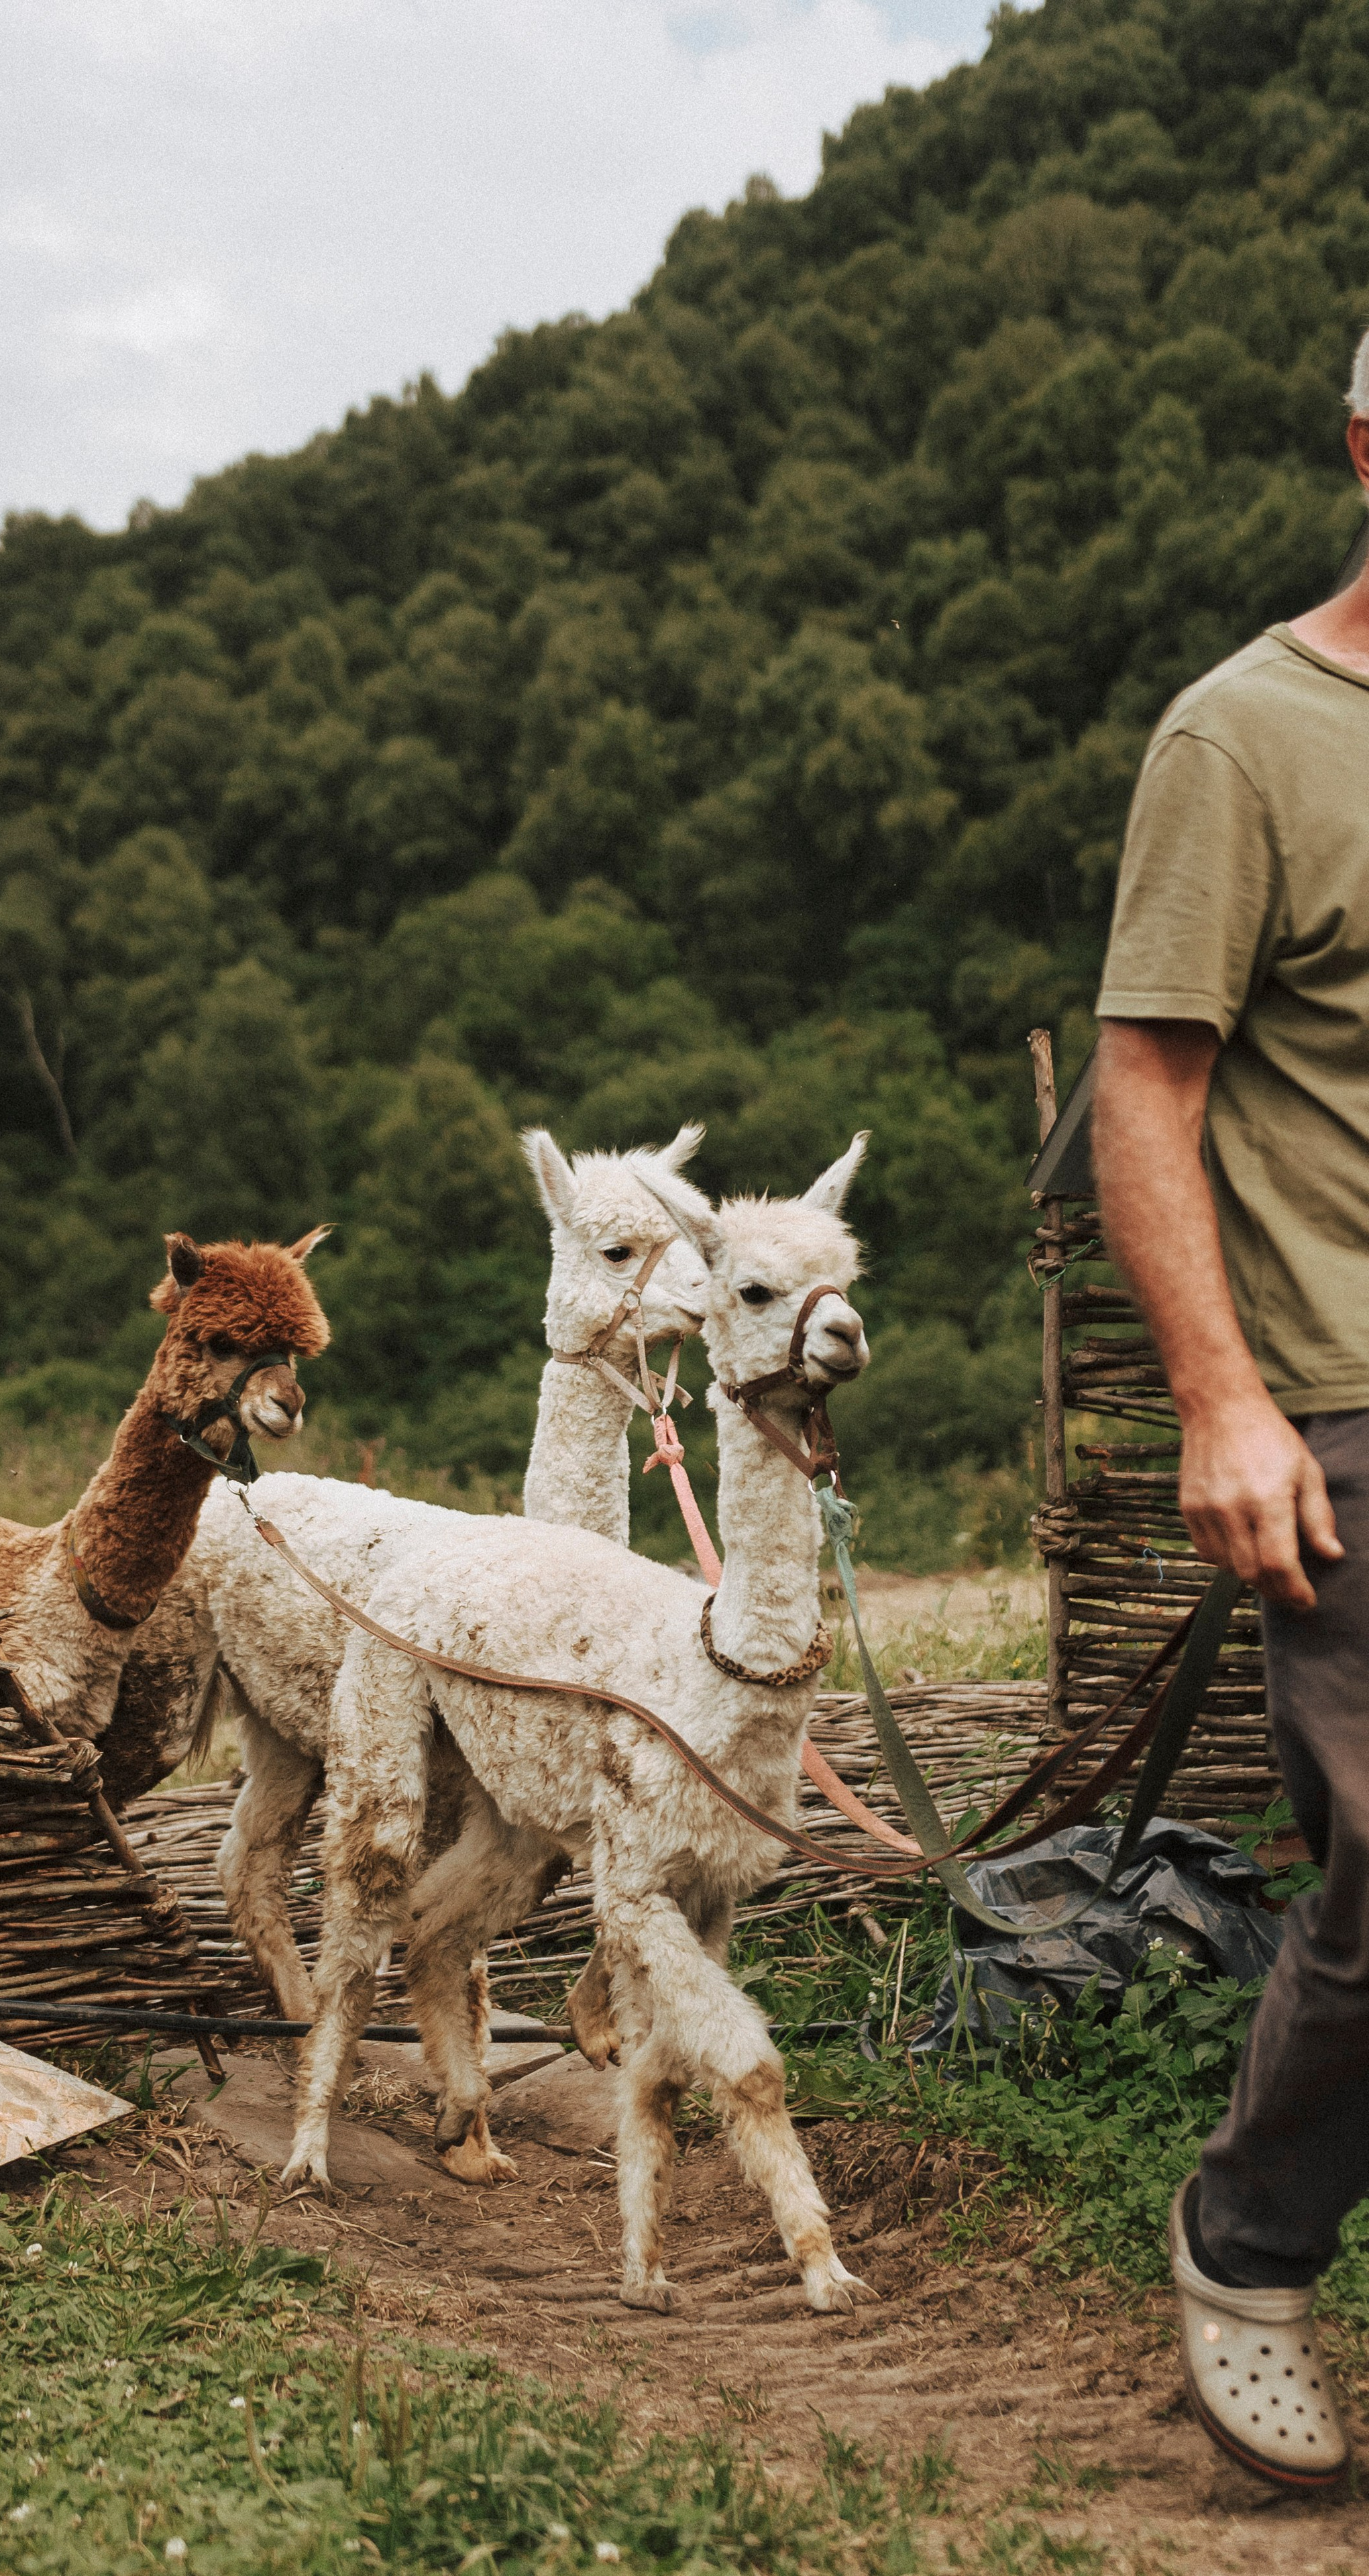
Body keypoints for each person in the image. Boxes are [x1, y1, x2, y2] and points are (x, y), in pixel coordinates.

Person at [1092, 323, 1369, 2493]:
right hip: (1347, 1411)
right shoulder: (1245, 737)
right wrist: (1221, 1400)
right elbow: (1148, 1087)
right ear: (1367, 448)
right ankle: (1254, 2235)